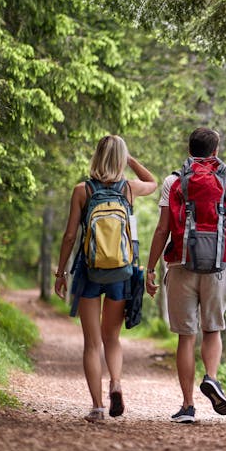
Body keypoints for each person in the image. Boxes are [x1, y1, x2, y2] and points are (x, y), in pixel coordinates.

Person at [145, 127, 226, 423]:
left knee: (185, 337)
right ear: (216, 152)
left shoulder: (173, 182)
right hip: (217, 266)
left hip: (180, 266)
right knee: (212, 330)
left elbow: (162, 229)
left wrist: (150, 268)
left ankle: (188, 406)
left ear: (189, 150)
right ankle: (212, 378)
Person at [55, 135, 157, 422]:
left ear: (96, 156)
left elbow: (70, 236)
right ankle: (116, 383)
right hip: (120, 273)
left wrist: (61, 273)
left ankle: (98, 407)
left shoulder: (82, 190)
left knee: (92, 343)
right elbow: (152, 181)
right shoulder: (129, 188)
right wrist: (130, 160)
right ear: (120, 159)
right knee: (112, 337)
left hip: (89, 272)